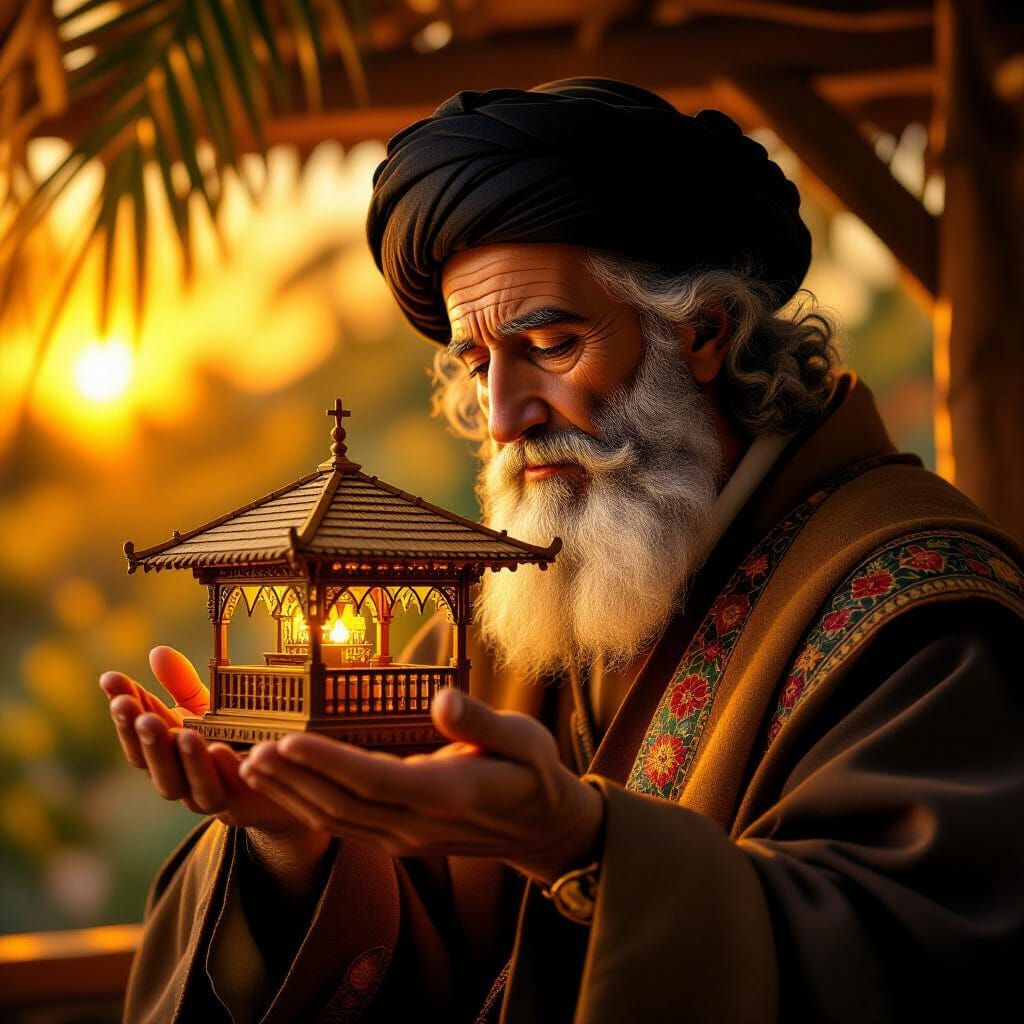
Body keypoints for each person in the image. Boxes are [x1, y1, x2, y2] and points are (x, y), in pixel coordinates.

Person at [100, 78, 1024, 1023]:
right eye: (476, 361)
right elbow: (417, 934)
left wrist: (581, 846)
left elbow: (914, 958)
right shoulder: (524, 593)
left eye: (548, 343)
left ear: (702, 332)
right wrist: (295, 839)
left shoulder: (919, 604)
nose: (504, 415)